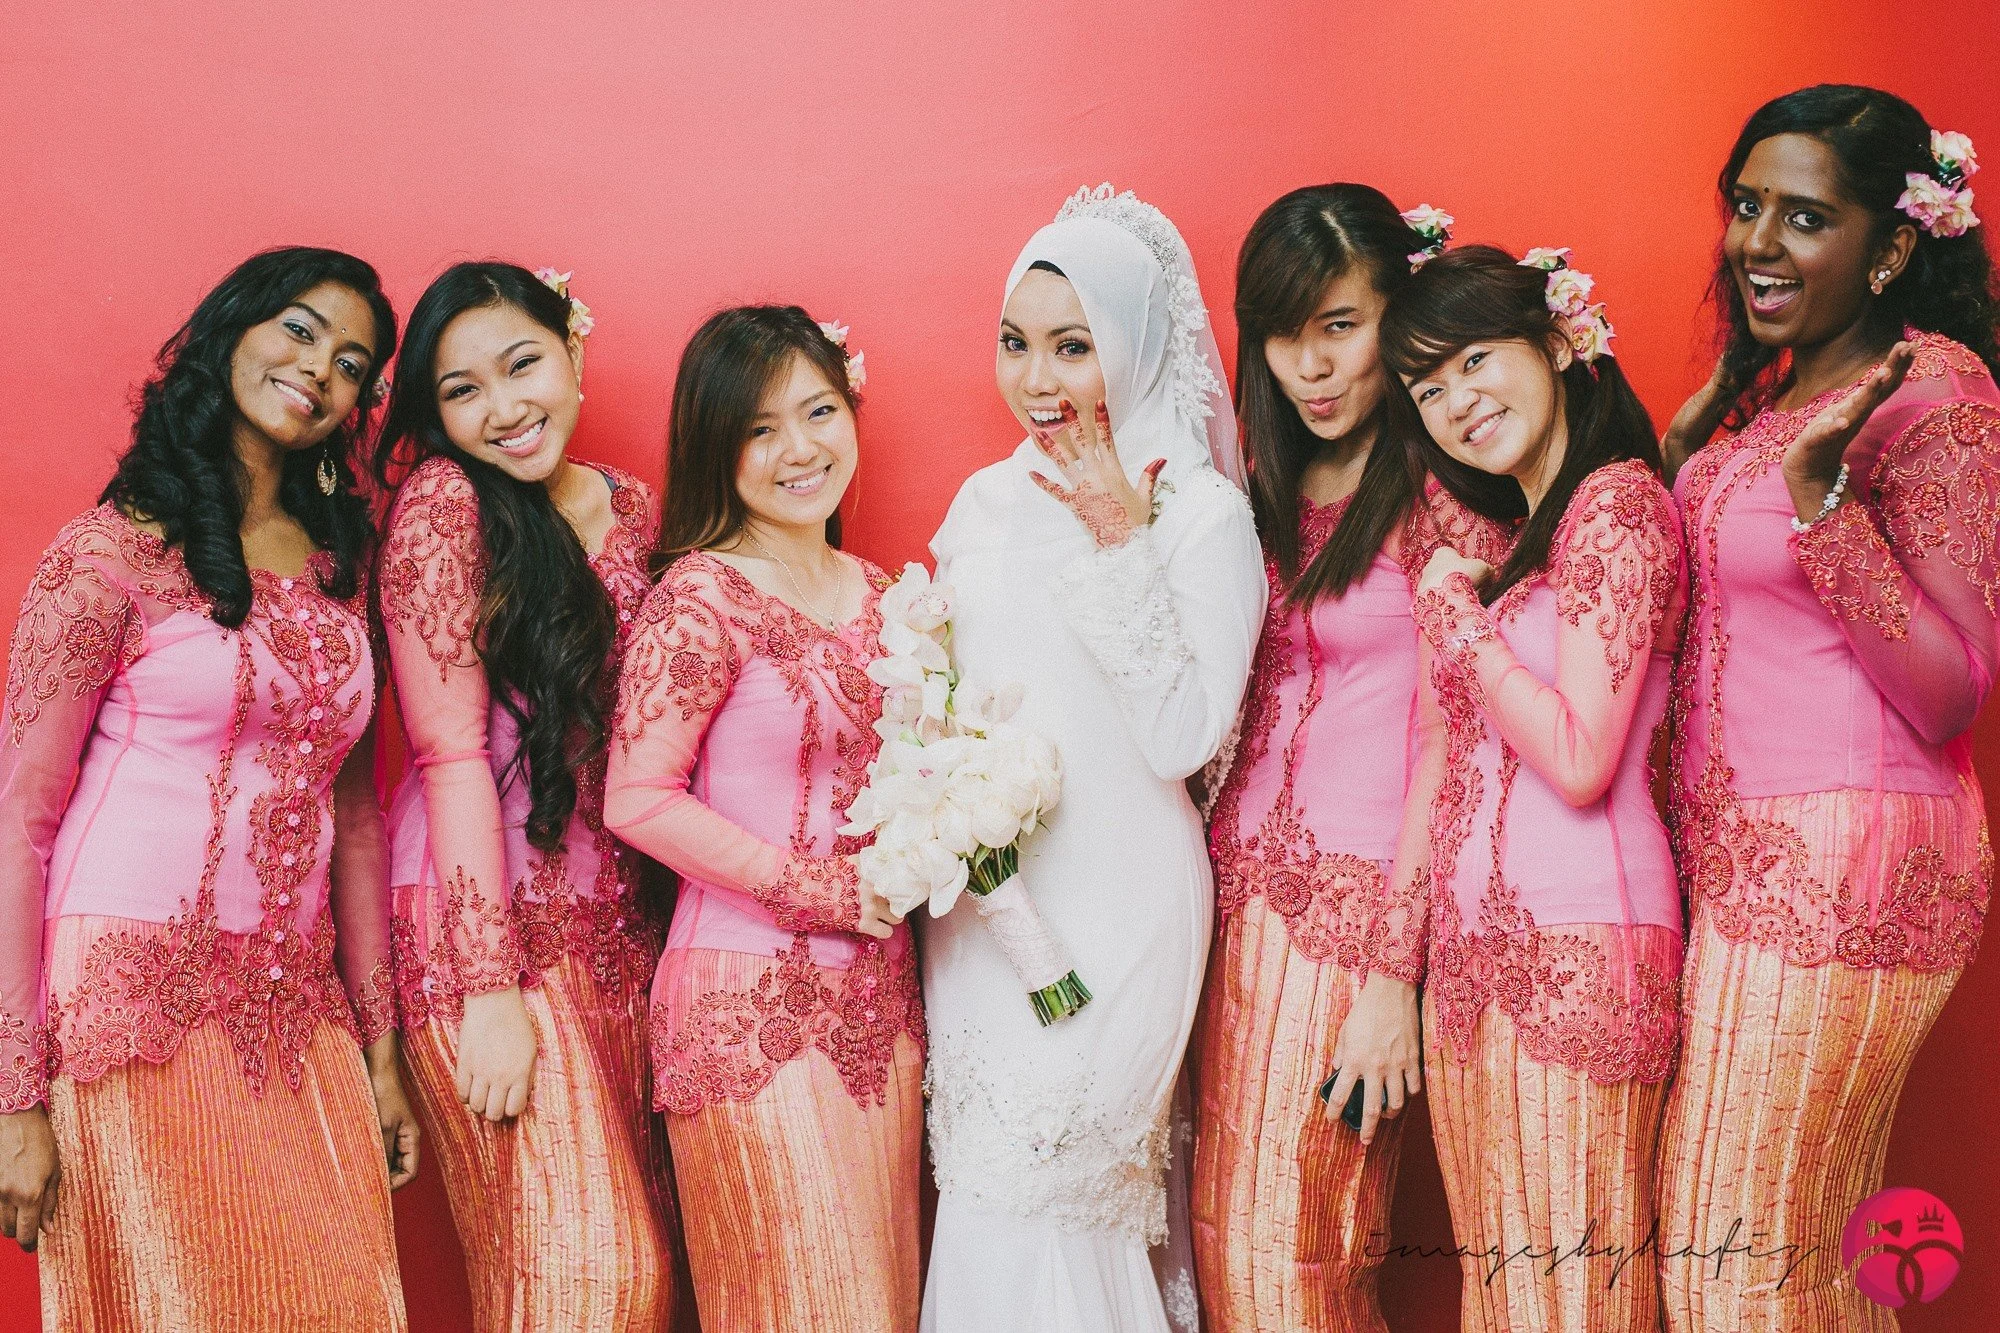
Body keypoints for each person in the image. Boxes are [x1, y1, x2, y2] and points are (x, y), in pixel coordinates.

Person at [0, 247, 413, 1329]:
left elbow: (357, 816)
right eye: (300, 329)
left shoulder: (340, 569)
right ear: (229, 329)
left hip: (298, 1011)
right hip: (134, 1005)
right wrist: (13, 1092)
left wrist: (381, 1049)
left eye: (353, 361)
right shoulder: (110, 551)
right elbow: (20, 822)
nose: (322, 367)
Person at [1654, 85, 1998, 1330]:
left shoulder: (1936, 394)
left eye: (1802, 217)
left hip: (1845, 857)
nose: (1755, 241)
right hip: (1743, 863)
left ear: (1893, 245)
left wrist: (1818, 507)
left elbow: (1950, 687)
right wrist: (1688, 450)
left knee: (1730, 1260)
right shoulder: (1786, 395)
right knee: (1777, 1259)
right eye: (1744, 206)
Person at [919, 184, 1265, 1332]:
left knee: (1057, 1204)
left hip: (1121, 917)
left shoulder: (1201, 515)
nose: (1036, 380)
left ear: (1133, 343)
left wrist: (1122, 536)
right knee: (985, 1209)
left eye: (1071, 347)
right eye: (1015, 344)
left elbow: (1181, 737)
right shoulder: (981, 500)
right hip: (986, 918)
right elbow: (939, 696)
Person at [1193, 184, 1509, 1332]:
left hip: (1354, 927)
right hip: (1230, 918)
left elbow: (1456, 744)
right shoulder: (1254, 489)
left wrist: (1393, 978)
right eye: (1285, 333)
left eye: (1340, 325)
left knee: (1301, 1264)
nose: (1309, 366)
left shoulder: (1450, 495)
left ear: (1399, 313)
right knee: (1227, 1255)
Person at [1376, 243, 1686, 1330]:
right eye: (1426, 389)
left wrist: (1453, 620)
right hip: (1478, 969)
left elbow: (1577, 757)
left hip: (1577, 951)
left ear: (1556, 343)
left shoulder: (1616, 505)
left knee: (1568, 1298)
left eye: (1472, 361)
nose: (1454, 402)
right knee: (1507, 1301)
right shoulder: (1521, 545)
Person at [604, 305, 923, 1330]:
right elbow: (635, 796)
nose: (800, 449)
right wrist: (814, 887)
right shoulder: (702, 595)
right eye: (760, 428)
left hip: (884, 1013)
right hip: (747, 1012)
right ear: (716, 447)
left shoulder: (884, 596)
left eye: (819, 411)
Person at [375, 262, 678, 1331]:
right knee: (588, 1276)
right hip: (482, 930)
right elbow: (449, 755)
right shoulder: (443, 506)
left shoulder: (631, 505)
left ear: (574, 353)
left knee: (586, 1282)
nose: (503, 409)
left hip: (614, 934)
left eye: (522, 366)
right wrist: (486, 993)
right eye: (461, 392)